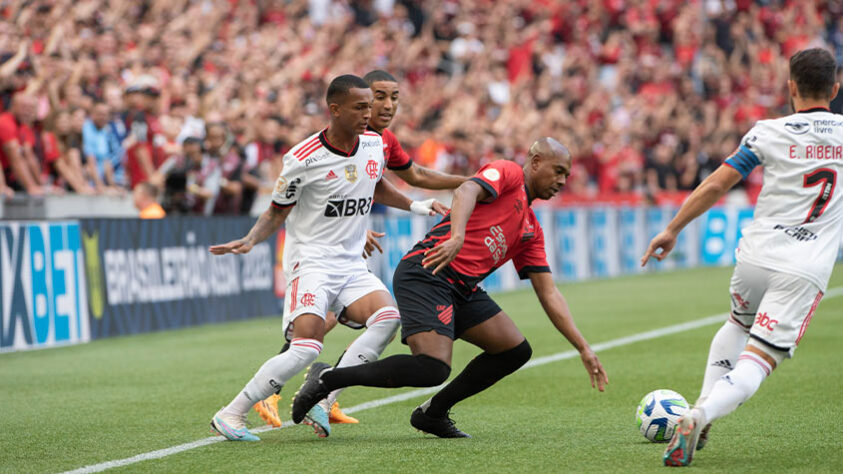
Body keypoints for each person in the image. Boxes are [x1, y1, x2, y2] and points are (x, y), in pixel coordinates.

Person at [290, 137, 609, 438]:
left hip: (462, 289)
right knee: (432, 368)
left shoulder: (531, 229)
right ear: (536, 161)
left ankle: (433, 413)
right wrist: (457, 236)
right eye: (559, 171)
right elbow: (467, 190)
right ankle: (326, 379)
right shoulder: (509, 173)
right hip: (427, 271)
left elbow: (549, 292)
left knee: (514, 350)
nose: (563, 180)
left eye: (567, 175)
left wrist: (583, 346)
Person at [207, 74, 446, 441]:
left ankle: (324, 396)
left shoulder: (372, 145)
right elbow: (276, 211)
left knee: (387, 318)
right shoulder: (302, 159)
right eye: (360, 107)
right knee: (306, 348)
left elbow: (374, 182)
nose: (370, 114)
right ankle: (231, 413)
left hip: (350, 263)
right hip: (312, 262)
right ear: (334, 110)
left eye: (371, 105)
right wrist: (251, 240)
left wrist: (416, 205)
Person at [640, 48, 842, 467]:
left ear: (790, 87)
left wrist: (672, 228)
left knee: (736, 325)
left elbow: (717, 184)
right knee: (758, 360)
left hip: (754, 256)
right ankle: (701, 415)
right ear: (836, 88)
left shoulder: (767, 132)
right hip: (802, 269)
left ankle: (703, 404)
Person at [254, 70, 470, 428]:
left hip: (346, 243)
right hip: (316, 243)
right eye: (379, 97)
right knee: (325, 318)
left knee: (357, 318)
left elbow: (409, 176)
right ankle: (274, 393)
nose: (387, 106)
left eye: (394, 98)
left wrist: (470, 183)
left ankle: (326, 393)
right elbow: (323, 187)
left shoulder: (381, 141)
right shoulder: (344, 136)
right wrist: (356, 227)